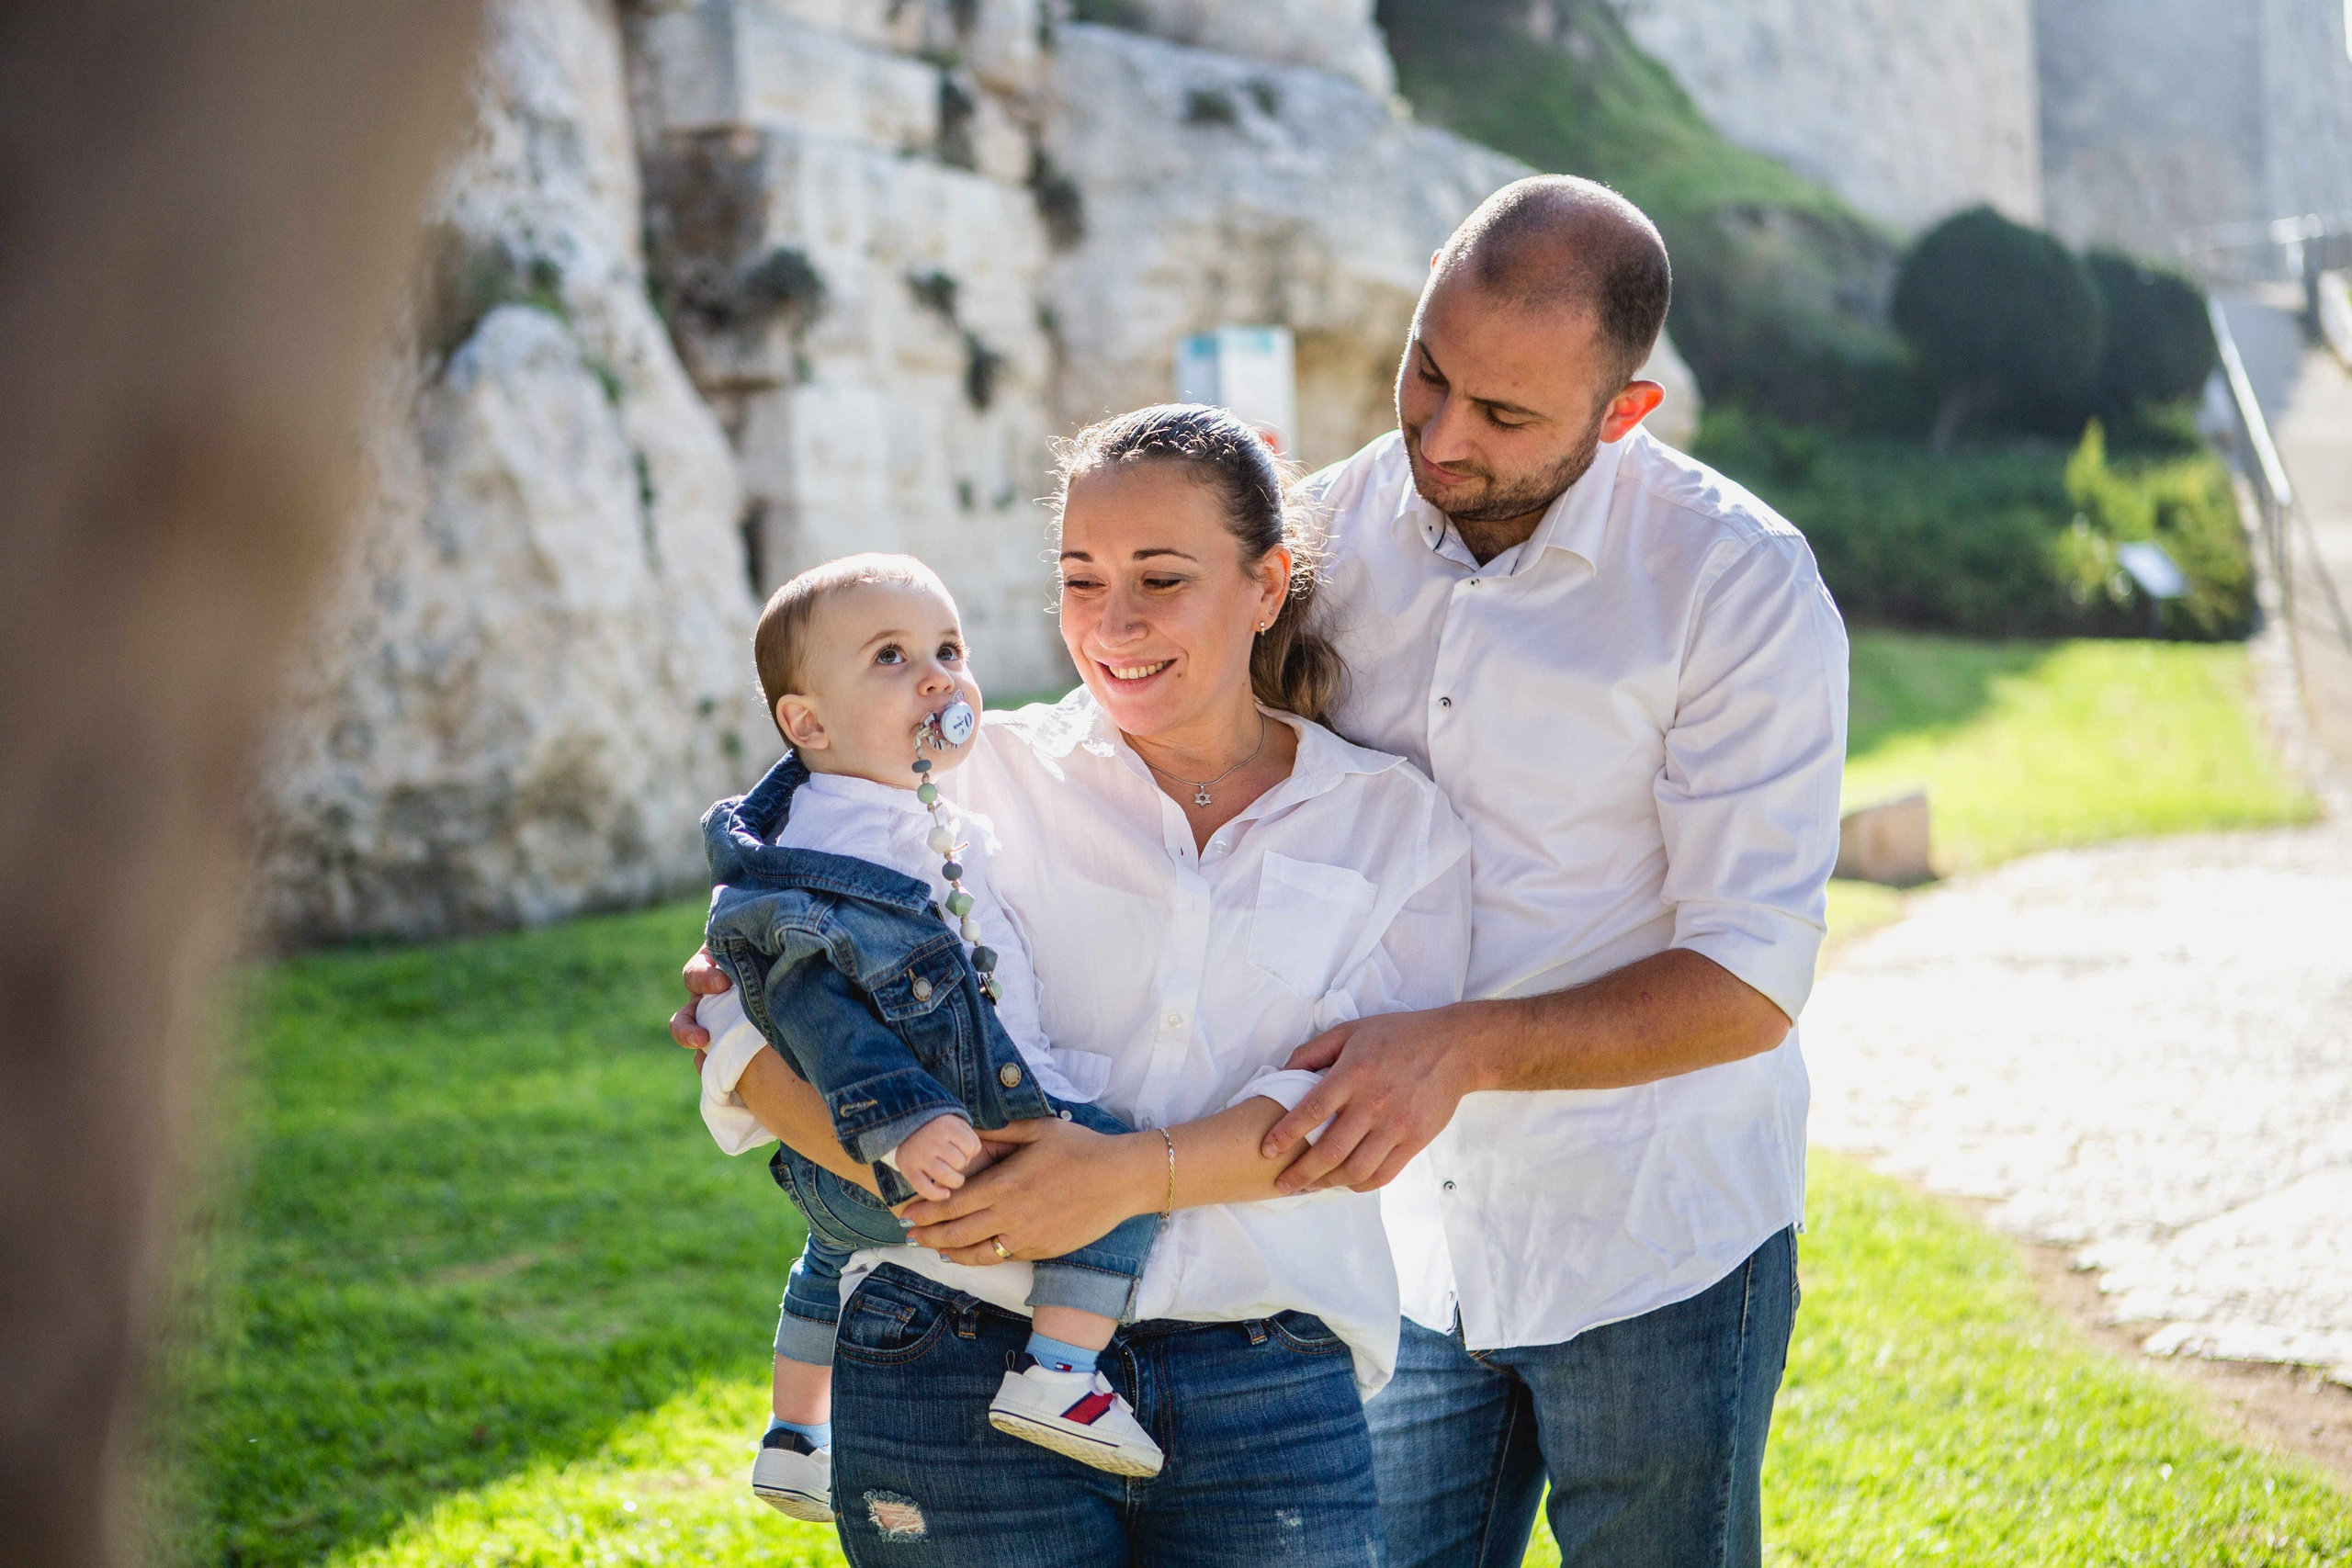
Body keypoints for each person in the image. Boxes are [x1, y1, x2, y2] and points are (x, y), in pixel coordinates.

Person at [865, 175, 1849, 1567]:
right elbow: (1125, 723)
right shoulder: (1315, 533)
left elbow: (1751, 976)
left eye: (1505, 415)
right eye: (1425, 373)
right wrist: (841, 882)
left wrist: (1457, 1047)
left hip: (1655, 1224)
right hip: (1384, 1232)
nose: (1442, 436)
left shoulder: (1737, 584)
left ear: (1624, 412)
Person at [686, 404, 1474, 1565]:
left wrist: (1116, 1181)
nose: (1114, 623)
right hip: (949, 1345)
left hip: (1269, 1384)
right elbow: (747, 1020)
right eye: (1080, 578)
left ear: (1265, 586)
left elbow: (1358, 1118)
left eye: (1161, 578)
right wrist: (914, 1173)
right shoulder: (952, 779)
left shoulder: (1392, 825)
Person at [693, 553, 1168, 1520]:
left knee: (829, 1257)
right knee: (1117, 1177)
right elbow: (816, 1010)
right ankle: (1059, 1370)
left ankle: (793, 1436)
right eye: (892, 658)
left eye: (949, 649)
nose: (940, 678)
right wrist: (902, 1124)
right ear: (808, 723)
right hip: (912, 1133)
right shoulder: (836, 856)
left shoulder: (898, 814)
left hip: (853, 1165)